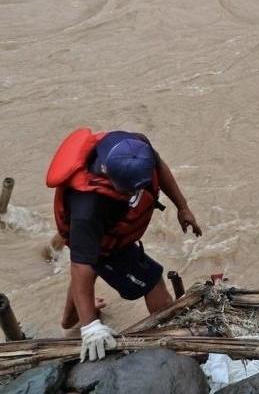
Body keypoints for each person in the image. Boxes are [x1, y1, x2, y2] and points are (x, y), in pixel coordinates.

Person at [46, 129, 202, 362]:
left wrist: (183, 207)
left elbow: (160, 168)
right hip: (102, 241)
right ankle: (171, 335)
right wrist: (90, 327)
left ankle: (70, 320)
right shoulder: (89, 208)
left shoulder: (137, 147)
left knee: (87, 271)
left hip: (103, 235)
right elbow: (80, 267)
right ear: (109, 174)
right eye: (129, 190)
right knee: (152, 280)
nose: (135, 193)